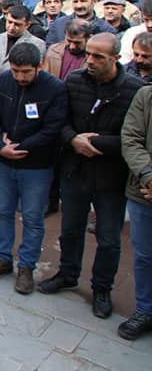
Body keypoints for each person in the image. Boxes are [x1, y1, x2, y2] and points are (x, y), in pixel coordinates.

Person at [37, 33, 145, 318]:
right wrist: (73, 140)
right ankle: (68, 274)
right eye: (88, 55)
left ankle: (102, 288)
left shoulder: (135, 89)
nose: (91, 61)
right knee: (70, 229)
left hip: (111, 176)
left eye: (99, 57)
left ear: (116, 58)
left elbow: (134, 138)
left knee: (109, 238)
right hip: (75, 170)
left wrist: (96, 143)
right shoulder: (74, 81)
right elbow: (59, 121)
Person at [0, 43, 68, 295]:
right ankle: (2, 257)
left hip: (36, 165)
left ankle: (27, 266)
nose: (20, 77)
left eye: (26, 72)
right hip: (4, 161)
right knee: (2, 211)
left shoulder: (55, 89)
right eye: (16, 71)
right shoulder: (1, 81)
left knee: (32, 217)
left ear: (39, 67)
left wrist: (21, 146)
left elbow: (53, 128)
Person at [118, 81, 152, 340]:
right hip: (143, 191)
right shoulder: (146, 95)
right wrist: (148, 175)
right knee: (144, 256)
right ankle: (145, 309)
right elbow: (130, 137)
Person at [0, 4, 46, 75]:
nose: (11, 27)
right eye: (9, 22)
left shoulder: (37, 44)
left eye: (17, 24)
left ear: (27, 25)